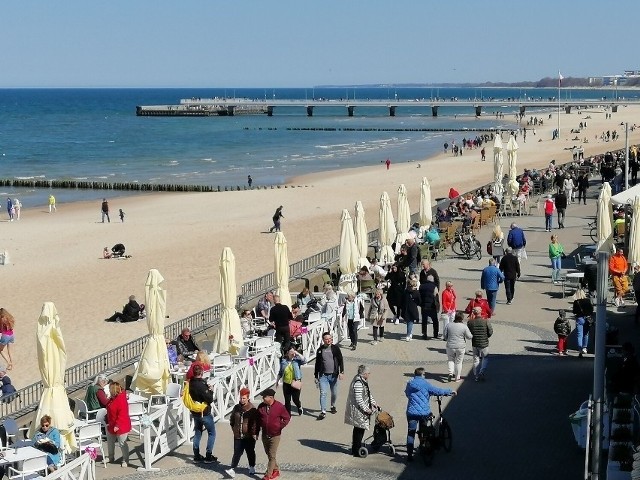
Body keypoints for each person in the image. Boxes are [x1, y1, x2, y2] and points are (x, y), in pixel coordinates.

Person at [404, 368, 456, 461]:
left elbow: (407, 394)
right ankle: (423, 447)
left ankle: (409, 455)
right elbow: (437, 391)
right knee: (423, 430)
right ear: (422, 374)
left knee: (411, 433)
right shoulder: (426, 384)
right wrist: (449, 391)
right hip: (424, 413)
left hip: (411, 412)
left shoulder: (409, 384)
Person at [344, 365, 379, 457]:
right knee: (359, 429)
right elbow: (359, 398)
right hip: (358, 410)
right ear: (364, 374)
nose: (369, 375)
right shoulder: (358, 383)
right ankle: (356, 449)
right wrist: (366, 409)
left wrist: (374, 403)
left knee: (359, 429)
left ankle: (356, 447)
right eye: (368, 373)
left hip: (360, 409)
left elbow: (368, 393)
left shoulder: (362, 381)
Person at [256, 388, 290, 480]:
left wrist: (279, 426)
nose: (262, 398)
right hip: (265, 434)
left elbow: (287, 418)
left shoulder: (279, 406)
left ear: (270, 397)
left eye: (264, 397)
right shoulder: (261, 407)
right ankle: (276, 470)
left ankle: (268, 475)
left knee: (272, 455)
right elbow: (258, 421)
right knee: (269, 454)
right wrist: (256, 432)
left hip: (275, 435)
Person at [225, 387, 259, 478]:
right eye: (240, 398)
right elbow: (232, 420)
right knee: (237, 452)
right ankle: (232, 468)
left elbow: (255, 423)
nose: (242, 400)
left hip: (248, 436)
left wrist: (255, 433)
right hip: (238, 435)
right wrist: (234, 429)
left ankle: (252, 466)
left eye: (244, 398)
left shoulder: (252, 409)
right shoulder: (236, 407)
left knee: (250, 452)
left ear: (248, 398)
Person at [187, 365, 217, 463]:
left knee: (198, 433)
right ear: (201, 373)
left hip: (195, 412)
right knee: (212, 433)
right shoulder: (201, 385)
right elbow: (210, 399)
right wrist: (211, 390)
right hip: (205, 413)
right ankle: (208, 456)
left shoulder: (190, 383)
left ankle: (196, 455)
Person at [314, 332, 344, 420]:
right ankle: (323, 411)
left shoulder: (335, 348)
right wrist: (316, 376)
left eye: (330, 339)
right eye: (326, 339)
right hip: (323, 376)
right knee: (323, 393)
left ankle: (333, 405)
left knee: (334, 393)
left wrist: (341, 372)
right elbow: (317, 364)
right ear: (323, 340)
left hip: (333, 375)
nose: (329, 340)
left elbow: (340, 360)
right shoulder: (320, 350)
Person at [105, 381, 131, 467]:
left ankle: (125, 460)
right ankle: (111, 456)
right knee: (110, 441)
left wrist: (117, 425)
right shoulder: (113, 398)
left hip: (121, 424)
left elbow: (122, 414)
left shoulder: (121, 399)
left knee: (122, 442)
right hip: (112, 423)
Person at [443, 313, 473, 382]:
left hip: (450, 345)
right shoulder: (464, 326)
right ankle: (457, 377)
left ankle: (450, 373)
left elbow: (445, 336)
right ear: (462, 318)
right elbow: (469, 337)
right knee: (459, 362)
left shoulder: (449, 325)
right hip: (460, 346)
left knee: (451, 360)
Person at [277, 345, 306, 415]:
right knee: (287, 400)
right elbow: (280, 372)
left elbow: (304, 360)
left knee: (295, 399)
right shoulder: (283, 362)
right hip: (286, 383)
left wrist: (298, 353)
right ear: (287, 353)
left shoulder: (297, 360)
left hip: (296, 382)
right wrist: (277, 381)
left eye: (294, 351)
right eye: (291, 351)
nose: (293, 353)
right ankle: (288, 414)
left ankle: (299, 406)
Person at [467, 307, 493, 381]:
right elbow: (490, 331)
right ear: (480, 312)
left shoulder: (470, 322)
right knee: (485, 358)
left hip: (475, 343)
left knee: (476, 360)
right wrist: (486, 336)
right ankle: (482, 371)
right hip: (484, 343)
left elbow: (469, 332)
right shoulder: (485, 321)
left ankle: (476, 376)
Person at [419, 274, 439, 339]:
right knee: (435, 321)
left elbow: (419, 296)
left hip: (424, 305)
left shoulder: (421, 286)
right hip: (432, 306)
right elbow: (436, 296)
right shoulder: (434, 287)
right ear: (432, 280)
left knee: (424, 321)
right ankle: (435, 334)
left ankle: (424, 334)